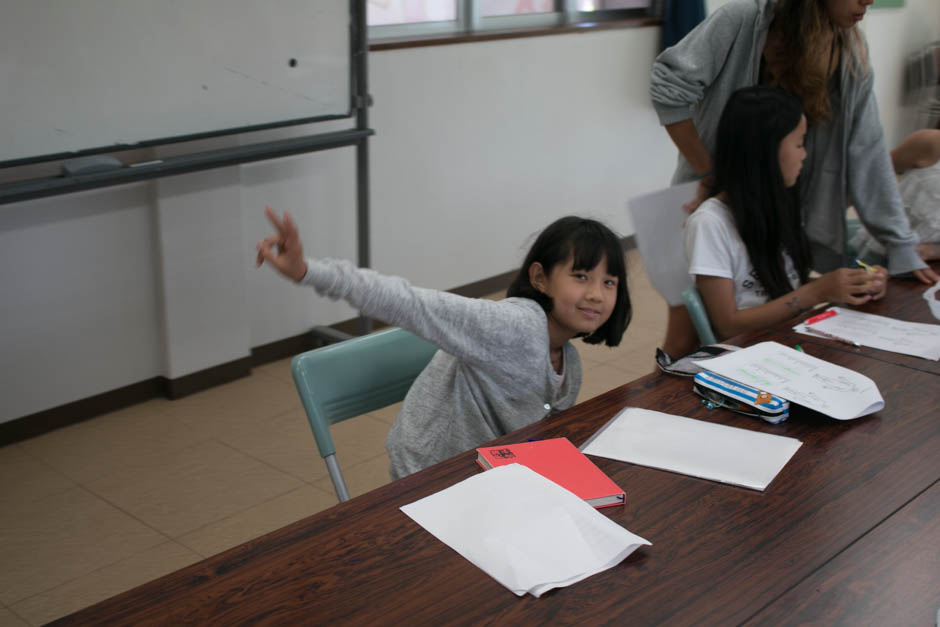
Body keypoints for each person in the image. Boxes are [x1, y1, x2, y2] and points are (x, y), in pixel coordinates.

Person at [650, 0, 937, 357]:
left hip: (770, 204)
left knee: (769, 299)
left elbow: (869, 152)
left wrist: (895, 248)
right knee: (684, 339)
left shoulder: (848, 53)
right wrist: (712, 173)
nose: (869, 0)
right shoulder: (742, 21)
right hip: (701, 201)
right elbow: (668, 87)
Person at [256, 208, 632, 479]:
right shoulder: (510, 326)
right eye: (581, 276)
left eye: (608, 282)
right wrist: (309, 272)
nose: (596, 295)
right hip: (432, 476)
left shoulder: (570, 365)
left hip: (493, 476)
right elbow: (409, 303)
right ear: (540, 278)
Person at [685, 86, 886, 341]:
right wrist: (816, 292)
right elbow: (728, 326)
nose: (804, 155)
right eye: (799, 143)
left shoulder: (778, 203)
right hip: (751, 352)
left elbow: (790, 283)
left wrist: (857, 283)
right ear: (765, 149)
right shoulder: (709, 223)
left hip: (790, 334)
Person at [851, 128, 940, 262]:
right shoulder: (931, 142)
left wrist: (933, 251)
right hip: (883, 254)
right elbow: (869, 176)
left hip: (929, 264)